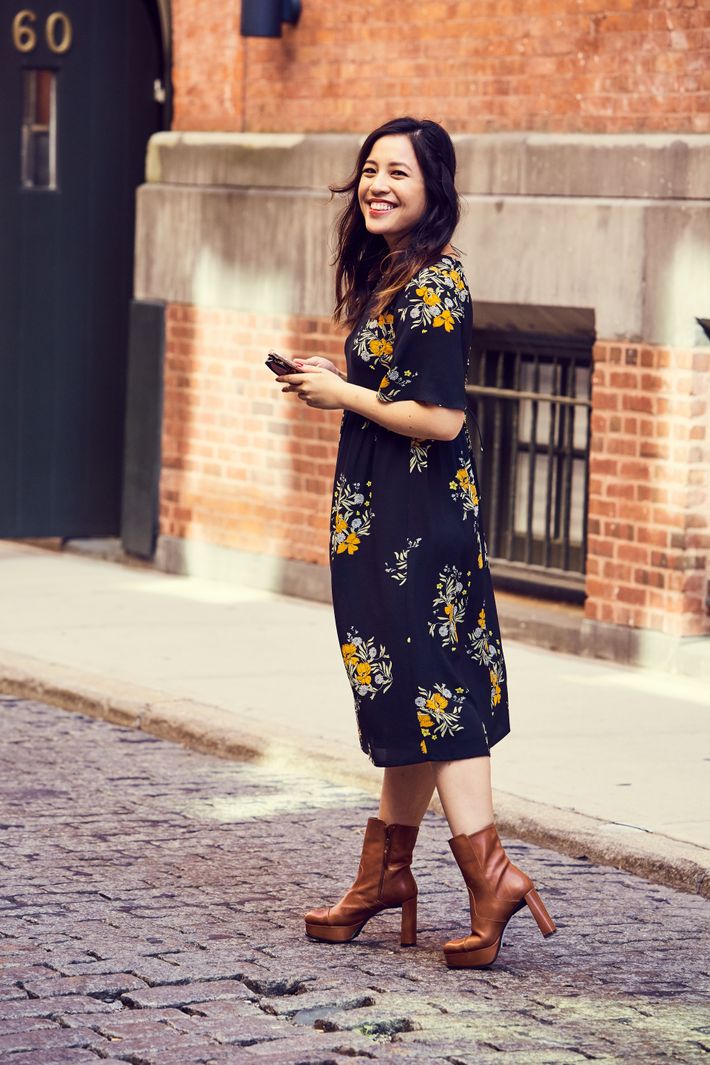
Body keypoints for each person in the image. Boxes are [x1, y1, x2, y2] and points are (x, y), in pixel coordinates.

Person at [275, 116, 556, 969]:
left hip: (419, 523)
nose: (375, 183)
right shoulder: (394, 282)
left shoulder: (437, 285)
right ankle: (386, 877)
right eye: (368, 169)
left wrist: (339, 394)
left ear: (435, 187)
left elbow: (441, 418)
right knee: (404, 692)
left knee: (437, 693)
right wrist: (336, 386)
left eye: (397, 170)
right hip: (380, 514)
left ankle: (492, 874)